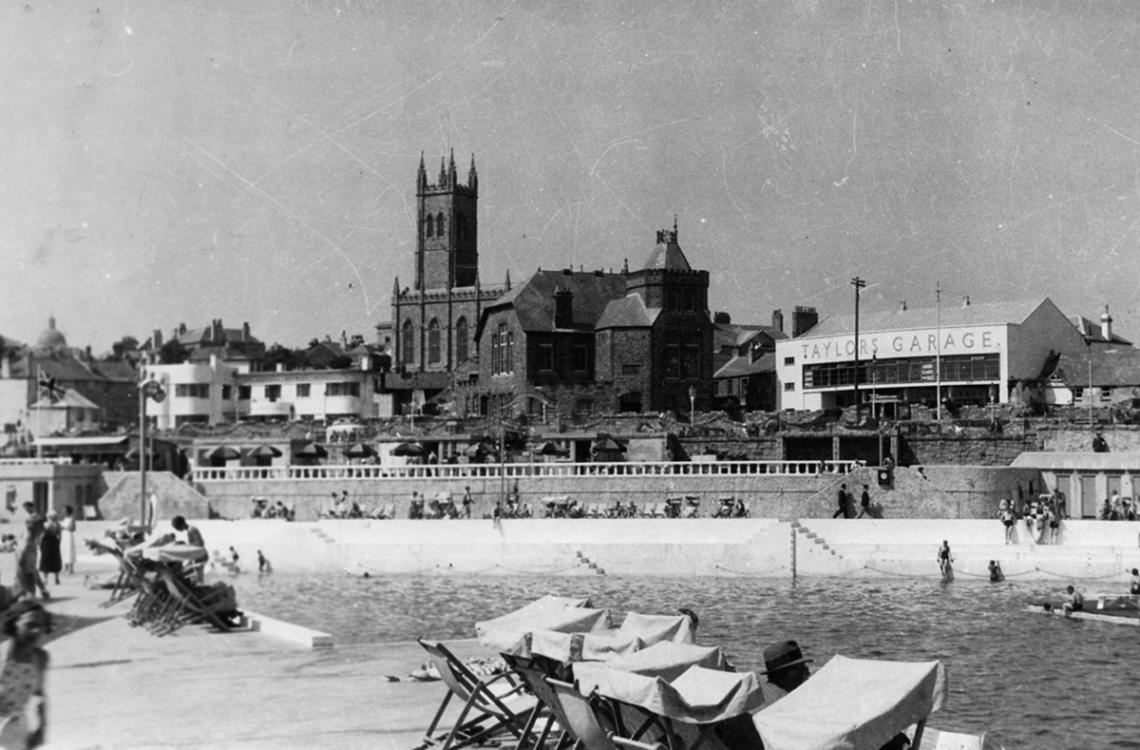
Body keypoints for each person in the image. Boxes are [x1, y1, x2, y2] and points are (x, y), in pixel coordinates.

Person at [0, 600, 52, 749]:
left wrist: (42, 728)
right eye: (30, 625)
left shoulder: (40, 658)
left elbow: (40, 694)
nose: (37, 631)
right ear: (15, 624)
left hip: (16, 728)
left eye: (41, 626)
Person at [15, 519, 49, 601]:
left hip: (26, 556)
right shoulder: (31, 533)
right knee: (33, 572)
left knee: (23, 575)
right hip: (31, 554)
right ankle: (42, 591)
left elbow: (24, 547)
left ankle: (27, 595)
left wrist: (20, 558)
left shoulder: (29, 534)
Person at [38, 512, 62, 586]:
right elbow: (60, 535)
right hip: (55, 543)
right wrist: (58, 543)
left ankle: (45, 579)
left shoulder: (46, 525)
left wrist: (39, 544)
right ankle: (57, 578)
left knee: (46, 561)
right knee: (56, 560)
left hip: (46, 543)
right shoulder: (58, 525)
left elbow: (42, 535)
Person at [59, 506, 77, 576]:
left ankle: (70, 569)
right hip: (64, 537)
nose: (63, 512)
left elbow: (73, 528)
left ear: (68, 511)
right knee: (64, 551)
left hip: (69, 537)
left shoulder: (72, 518)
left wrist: (64, 527)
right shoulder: (65, 519)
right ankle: (65, 568)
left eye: (64, 510)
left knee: (69, 551)